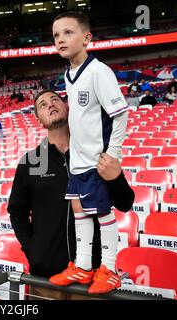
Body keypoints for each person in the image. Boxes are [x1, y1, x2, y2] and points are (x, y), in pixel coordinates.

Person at [8, 90, 134, 300]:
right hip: (45, 276)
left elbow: (125, 203)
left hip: (90, 279)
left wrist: (115, 177)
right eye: (42, 105)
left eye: (55, 99)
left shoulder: (96, 153)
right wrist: (34, 250)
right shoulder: (30, 162)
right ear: (39, 121)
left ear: (68, 108)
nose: (50, 105)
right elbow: (17, 212)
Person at [49, 12, 129, 294]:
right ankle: (83, 267)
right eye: (56, 35)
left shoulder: (99, 71)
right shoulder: (69, 75)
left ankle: (109, 268)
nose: (61, 39)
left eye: (68, 33)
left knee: (103, 213)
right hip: (77, 161)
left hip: (96, 161)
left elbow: (120, 115)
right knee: (79, 210)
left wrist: (113, 153)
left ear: (87, 38)